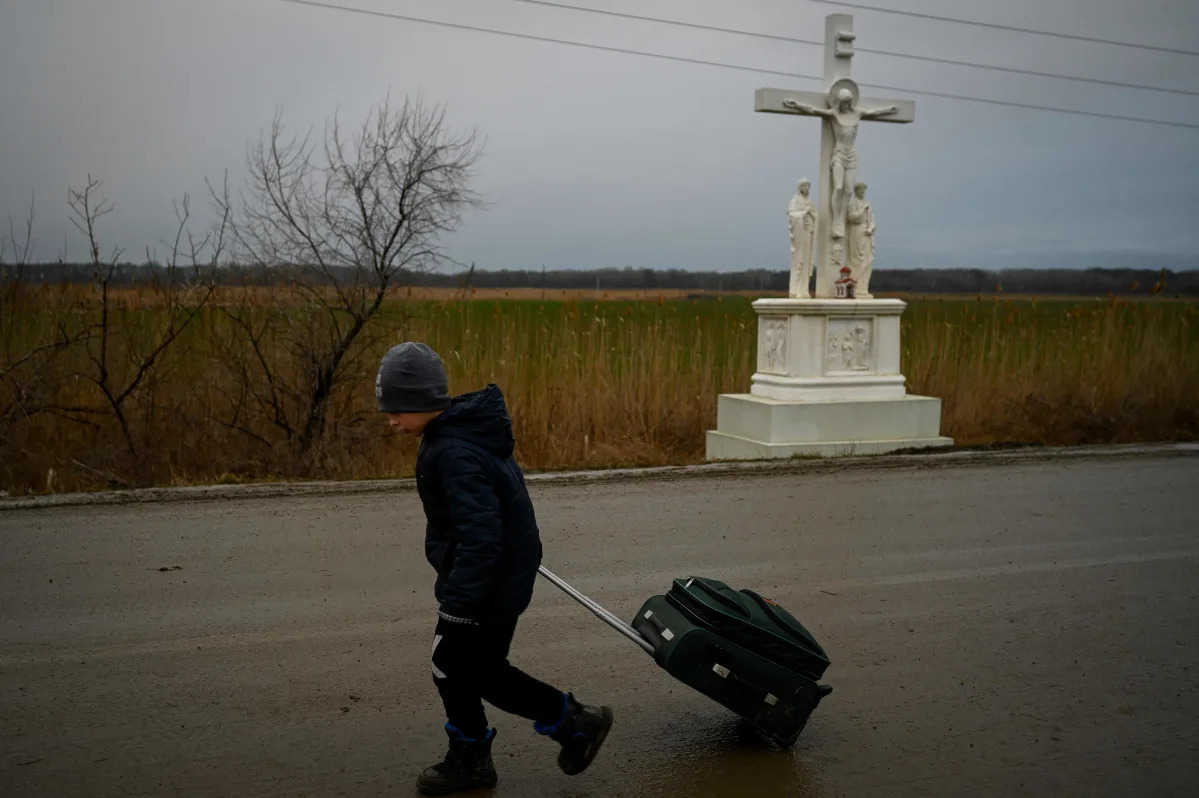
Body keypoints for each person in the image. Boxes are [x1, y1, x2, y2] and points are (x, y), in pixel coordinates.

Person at [376, 341, 613, 796]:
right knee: (479, 669)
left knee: (453, 664)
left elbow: (482, 538)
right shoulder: (464, 432)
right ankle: (560, 726)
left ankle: (542, 732)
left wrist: (459, 604)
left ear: (425, 400)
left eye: (398, 408)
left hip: (488, 582)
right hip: (500, 574)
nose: (391, 420)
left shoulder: (455, 451)